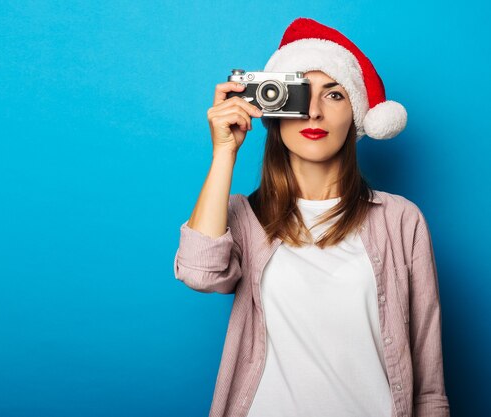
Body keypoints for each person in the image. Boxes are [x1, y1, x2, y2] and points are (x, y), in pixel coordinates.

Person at [173, 17, 449, 417]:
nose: (315, 113)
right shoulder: (244, 217)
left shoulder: (401, 220)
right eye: (299, 95)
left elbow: (429, 384)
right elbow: (200, 273)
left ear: (356, 114)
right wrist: (224, 153)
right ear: (272, 109)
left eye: (335, 95)